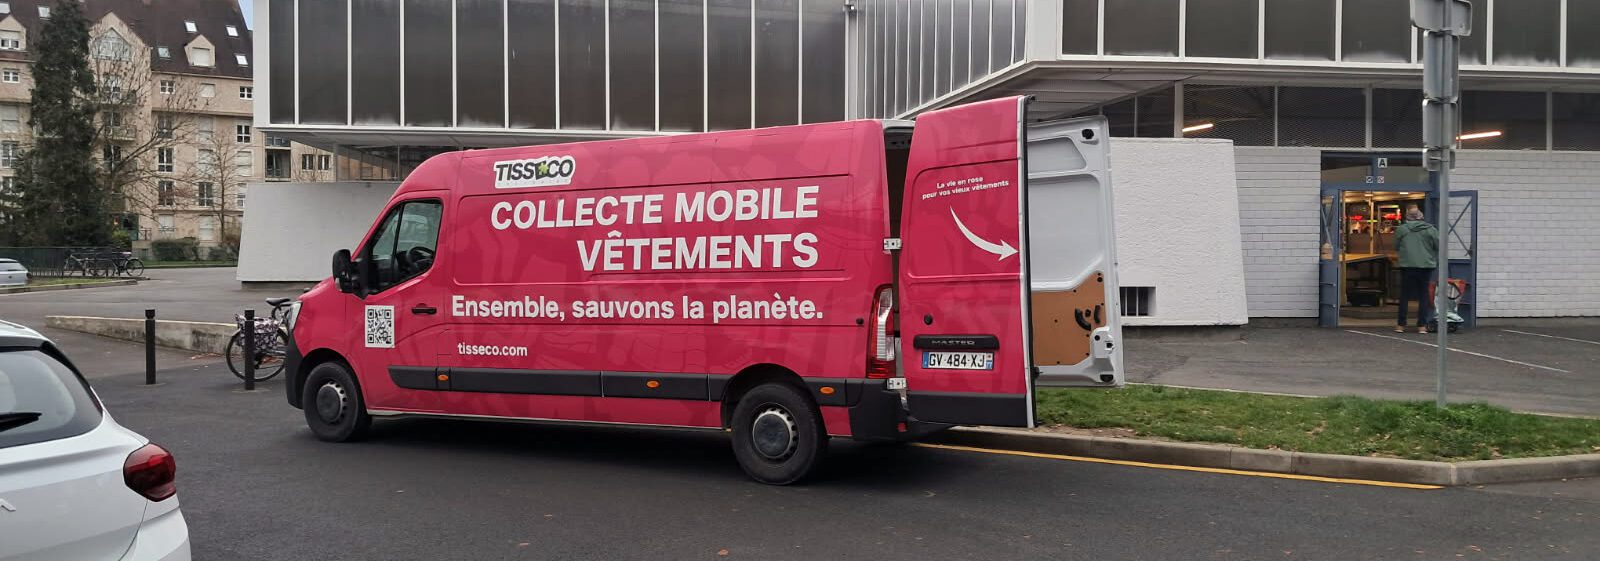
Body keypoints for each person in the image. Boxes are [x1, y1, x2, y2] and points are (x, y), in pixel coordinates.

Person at [1394, 205, 1439, 333]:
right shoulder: (1431, 229)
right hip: (1426, 265)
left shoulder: (1402, 229)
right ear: (1421, 216)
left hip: (1407, 265)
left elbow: (1396, 246)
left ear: (1407, 217)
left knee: (1405, 295)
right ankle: (1422, 326)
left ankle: (1401, 325)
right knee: (1423, 295)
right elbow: (1439, 245)